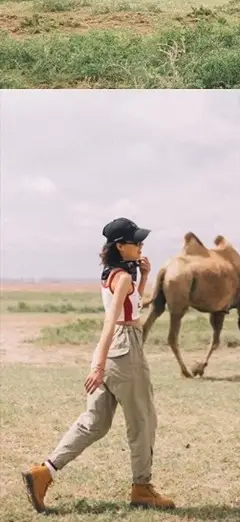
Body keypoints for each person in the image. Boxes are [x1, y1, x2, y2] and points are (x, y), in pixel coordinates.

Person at [22, 218, 175, 512]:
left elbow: (132, 306)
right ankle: (142, 488)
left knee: (94, 422)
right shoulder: (124, 278)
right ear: (120, 246)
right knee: (142, 420)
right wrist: (97, 365)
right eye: (136, 241)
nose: (141, 244)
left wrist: (145, 277)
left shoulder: (113, 274)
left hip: (112, 349)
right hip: (125, 349)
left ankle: (44, 473)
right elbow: (113, 321)